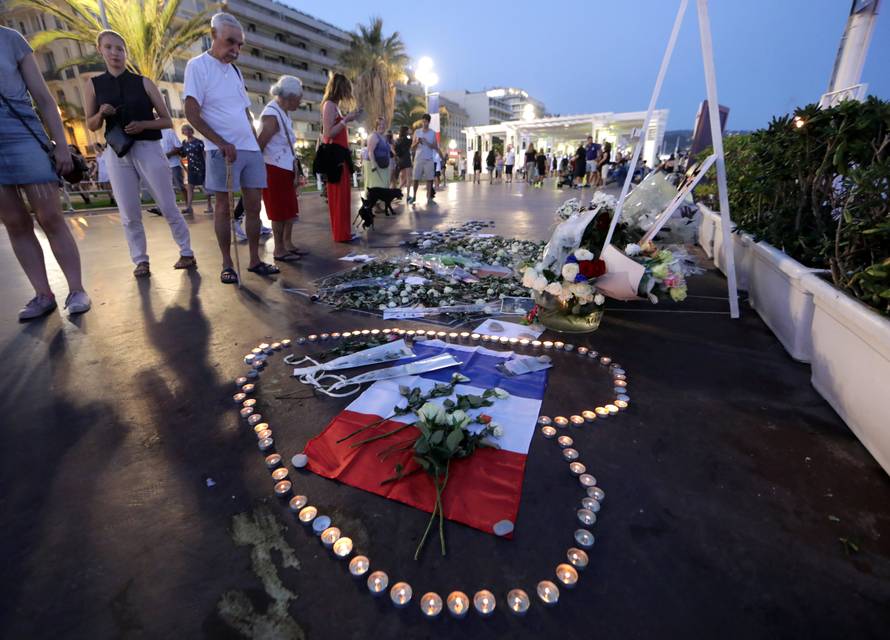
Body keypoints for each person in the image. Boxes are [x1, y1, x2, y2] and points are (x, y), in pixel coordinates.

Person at [84, 29, 195, 279]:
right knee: (128, 211)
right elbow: (90, 124)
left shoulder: (143, 82)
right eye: (109, 47)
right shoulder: (93, 85)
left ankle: (186, 251)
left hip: (147, 148)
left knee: (167, 204)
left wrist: (143, 124)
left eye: (120, 48)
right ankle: (141, 260)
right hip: (117, 152)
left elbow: (167, 121)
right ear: (100, 50)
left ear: (126, 53)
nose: (115, 53)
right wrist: (101, 113)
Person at [0, 26, 91, 320]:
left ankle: (76, 289)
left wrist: (63, 147)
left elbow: (43, 96)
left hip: (22, 132)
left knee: (50, 215)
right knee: (13, 222)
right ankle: (43, 294)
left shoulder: (10, 39)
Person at [184, 12, 277, 282]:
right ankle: (227, 264)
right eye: (230, 42)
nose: (235, 50)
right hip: (221, 149)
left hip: (248, 148)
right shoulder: (197, 66)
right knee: (224, 207)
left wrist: (253, 141)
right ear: (213, 36)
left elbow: (245, 112)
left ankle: (254, 260)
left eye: (239, 45)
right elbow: (192, 112)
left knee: (253, 206)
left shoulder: (235, 71)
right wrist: (221, 142)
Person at [257, 74, 303, 262]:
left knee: (289, 209)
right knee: (278, 210)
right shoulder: (271, 115)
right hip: (274, 169)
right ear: (288, 97)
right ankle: (279, 248)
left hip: (285, 168)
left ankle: (287, 243)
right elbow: (259, 145)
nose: (299, 104)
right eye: (297, 100)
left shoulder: (283, 112)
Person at [320, 72, 361, 241]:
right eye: (346, 90)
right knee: (338, 196)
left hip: (340, 154)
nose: (348, 95)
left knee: (343, 195)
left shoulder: (334, 106)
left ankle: (343, 231)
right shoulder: (329, 105)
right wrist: (346, 120)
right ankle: (340, 233)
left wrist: (346, 119)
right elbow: (328, 133)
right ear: (340, 89)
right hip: (335, 156)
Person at [408, 113, 441, 205]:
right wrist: (417, 142)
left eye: (426, 121)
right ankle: (414, 196)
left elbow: (435, 146)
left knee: (429, 179)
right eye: (423, 121)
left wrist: (427, 142)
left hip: (429, 159)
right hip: (418, 159)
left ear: (429, 122)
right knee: (415, 178)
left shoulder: (432, 133)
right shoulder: (417, 132)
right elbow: (412, 147)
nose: (424, 123)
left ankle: (429, 198)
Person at [180, 124, 210, 214]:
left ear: (192, 131)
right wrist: (185, 167)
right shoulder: (184, 143)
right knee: (190, 187)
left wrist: (207, 166)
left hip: (201, 166)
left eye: (188, 130)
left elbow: (204, 154)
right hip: (191, 168)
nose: (187, 132)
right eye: (185, 130)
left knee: (205, 187)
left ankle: (209, 206)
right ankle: (189, 207)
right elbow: (182, 156)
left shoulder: (199, 142)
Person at [367, 115, 392, 195]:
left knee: (383, 187)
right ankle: (374, 204)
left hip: (384, 167)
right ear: (376, 125)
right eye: (379, 124)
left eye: (383, 124)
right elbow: (370, 152)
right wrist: (374, 165)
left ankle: (379, 204)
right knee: (376, 188)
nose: (382, 126)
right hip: (376, 167)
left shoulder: (384, 137)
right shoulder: (374, 136)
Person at [160, 127, 186, 204]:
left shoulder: (169, 131)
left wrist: (168, 154)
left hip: (174, 164)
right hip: (160, 165)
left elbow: (178, 146)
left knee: (180, 186)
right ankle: (167, 206)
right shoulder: (152, 134)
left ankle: (187, 205)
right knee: (164, 187)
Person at [394, 125, 412, 191]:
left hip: (400, 160)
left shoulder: (397, 140)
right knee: (408, 178)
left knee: (403, 177)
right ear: (406, 131)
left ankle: (398, 190)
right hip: (407, 159)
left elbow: (395, 149)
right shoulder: (408, 140)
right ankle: (407, 195)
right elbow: (412, 144)